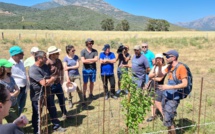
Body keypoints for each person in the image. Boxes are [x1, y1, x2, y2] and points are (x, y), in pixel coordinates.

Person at [29, 51, 66, 133]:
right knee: (37, 113)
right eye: (45, 57)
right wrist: (52, 79)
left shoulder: (45, 66)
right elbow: (44, 83)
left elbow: (50, 78)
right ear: (39, 58)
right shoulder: (33, 69)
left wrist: (50, 80)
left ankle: (56, 126)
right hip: (37, 95)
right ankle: (37, 129)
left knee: (52, 109)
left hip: (48, 93)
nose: (46, 58)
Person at [158, 50, 188, 134]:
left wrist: (169, 87)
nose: (166, 58)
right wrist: (160, 66)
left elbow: (185, 84)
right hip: (166, 95)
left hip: (174, 98)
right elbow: (160, 75)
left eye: (168, 57)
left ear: (174, 57)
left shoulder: (181, 68)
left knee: (168, 118)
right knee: (168, 118)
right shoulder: (169, 67)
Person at [46, 46, 68, 120]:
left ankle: (64, 114)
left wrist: (61, 79)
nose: (58, 54)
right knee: (51, 103)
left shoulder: (58, 61)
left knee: (62, 99)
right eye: (57, 53)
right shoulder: (47, 63)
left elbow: (61, 69)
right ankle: (54, 117)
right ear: (52, 55)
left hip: (58, 84)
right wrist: (49, 82)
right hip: (50, 86)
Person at [146, 54, 168, 122]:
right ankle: (153, 115)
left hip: (159, 86)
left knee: (158, 102)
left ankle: (165, 117)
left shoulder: (165, 67)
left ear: (162, 59)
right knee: (152, 100)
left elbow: (160, 79)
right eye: (157, 59)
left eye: (159, 58)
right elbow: (149, 75)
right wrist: (155, 74)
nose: (158, 60)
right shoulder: (155, 66)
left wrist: (154, 75)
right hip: (153, 85)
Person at [8, 46, 27, 116]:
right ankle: (15, 123)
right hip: (16, 88)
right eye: (21, 53)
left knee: (22, 104)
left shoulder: (21, 62)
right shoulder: (9, 64)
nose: (23, 55)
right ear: (15, 55)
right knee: (16, 106)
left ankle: (18, 120)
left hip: (24, 87)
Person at [0, 59, 20, 123]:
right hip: (6, 105)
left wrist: (13, 94)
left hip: (14, 103)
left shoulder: (10, 77)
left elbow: (17, 89)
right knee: (15, 122)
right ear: (2, 68)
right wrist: (14, 93)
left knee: (16, 121)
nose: (10, 67)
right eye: (8, 66)